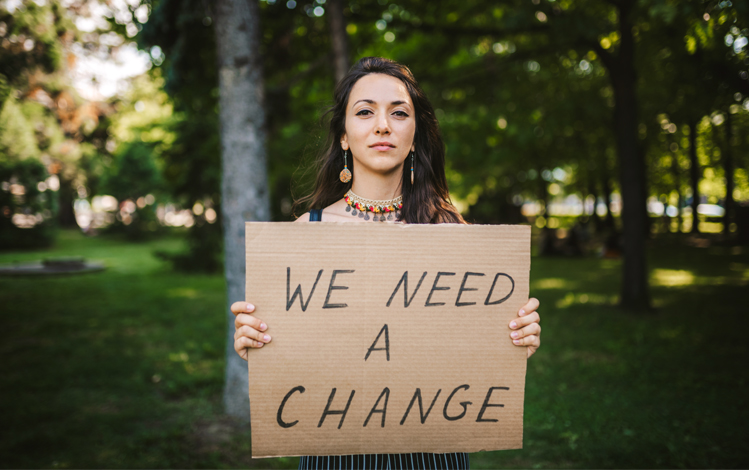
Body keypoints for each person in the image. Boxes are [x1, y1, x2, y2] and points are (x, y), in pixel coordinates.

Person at [230, 57, 542, 470]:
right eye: (364, 112)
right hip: (334, 451)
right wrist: (258, 341)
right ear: (343, 136)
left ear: (414, 136)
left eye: (398, 113)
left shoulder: (449, 229)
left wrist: (515, 338)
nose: (382, 125)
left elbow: (470, 346)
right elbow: (298, 349)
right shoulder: (310, 229)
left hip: (431, 449)